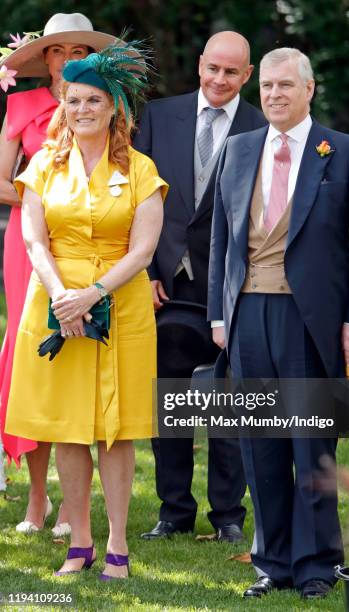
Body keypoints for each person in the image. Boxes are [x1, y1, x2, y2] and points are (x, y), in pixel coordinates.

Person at [208, 48, 349, 598]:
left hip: (311, 320)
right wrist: (220, 313)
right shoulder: (238, 150)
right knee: (259, 443)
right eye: (266, 86)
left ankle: (315, 564)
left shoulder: (345, 152)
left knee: (310, 441)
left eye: (286, 85)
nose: (274, 95)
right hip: (246, 316)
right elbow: (221, 235)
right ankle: (273, 562)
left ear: (309, 89)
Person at [5, 42, 167, 578]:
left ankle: (118, 544)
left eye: (93, 100)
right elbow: (34, 241)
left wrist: (93, 293)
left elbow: (143, 251)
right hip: (55, 300)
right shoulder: (44, 167)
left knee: (115, 430)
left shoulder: (142, 169)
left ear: (114, 107)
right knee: (68, 427)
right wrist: (60, 296)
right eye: (73, 101)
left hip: (118, 303)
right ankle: (80, 541)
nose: (81, 110)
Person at [135, 31, 267, 541]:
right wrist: (144, 272)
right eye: (213, 68)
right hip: (162, 283)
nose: (219, 79)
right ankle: (173, 511)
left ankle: (229, 516)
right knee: (167, 401)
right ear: (199, 64)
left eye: (231, 72)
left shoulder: (262, 125)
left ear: (247, 76)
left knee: (227, 400)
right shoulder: (157, 116)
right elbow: (134, 199)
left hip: (231, 287)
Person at [0, 13, 118, 536]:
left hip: (91, 244)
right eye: (56, 51)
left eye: (77, 51)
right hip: (28, 247)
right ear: (43, 58)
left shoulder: (109, 110)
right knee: (35, 365)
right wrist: (42, 205)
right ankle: (37, 500)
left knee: (81, 365)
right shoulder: (20, 106)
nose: (67, 60)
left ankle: (75, 507)